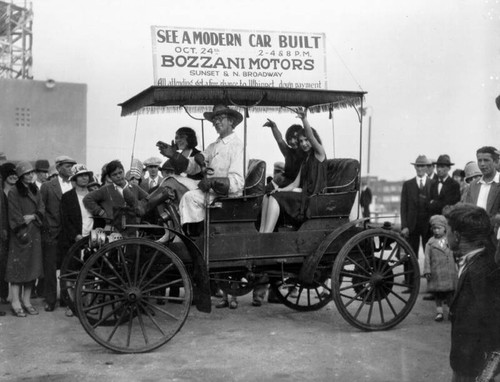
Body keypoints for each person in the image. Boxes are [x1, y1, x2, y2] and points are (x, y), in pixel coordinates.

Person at [158, 105, 245, 233]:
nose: (216, 122)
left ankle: (191, 237)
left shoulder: (237, 146)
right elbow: (192, 167)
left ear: (231, 121)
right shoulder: (214, 145)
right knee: (171, 179)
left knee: (189, 197)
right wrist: (174, 155)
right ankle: (174, 230)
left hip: (225, 197)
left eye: (220, 118)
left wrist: (211, 181)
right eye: (214, 119)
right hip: (209, 190)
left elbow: (237, 183)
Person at [444, 204, 500, 381]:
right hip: (466, 360)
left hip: (472, 367)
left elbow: (492, 324)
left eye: (448, 230)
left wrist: (487, 371)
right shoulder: (480, 260)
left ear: (458, 236)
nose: (447, 235)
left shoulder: (479, 273)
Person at [259, 108, 326, 233]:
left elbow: (311, 136)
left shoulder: (319, 154)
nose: (304, 143)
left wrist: (304, 119)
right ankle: (262, 232)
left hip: (312, 198)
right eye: (301, 141)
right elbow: (295, 183)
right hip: (303, 195)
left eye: (306, 140)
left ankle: (266, 235)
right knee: (268, 196)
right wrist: (280, 189)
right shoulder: (305, 160)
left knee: (275, 198)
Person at [6, 161, 44, 317]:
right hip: (20, 235)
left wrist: (34, 216)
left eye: (31, 173)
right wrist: (23, 224)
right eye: (27, 173)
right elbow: (13, 213)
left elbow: (41, 207)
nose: (30, 175)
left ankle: (26, 301)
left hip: (34, 233)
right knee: (18, 270)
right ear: (21, 176)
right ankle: (16, 302)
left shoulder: (35, 189)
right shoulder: (14, 192)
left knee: (32, 269)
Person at [40, 155, 77, 312]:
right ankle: (50, 300)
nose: (70, 169)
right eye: (67, 166)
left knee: (67, 267)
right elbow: (41, 208)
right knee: (50, 267)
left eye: (71, 166)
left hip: (69, 233)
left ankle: (65, 298)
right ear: (59, 167)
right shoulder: (48, 186)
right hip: (52, 231)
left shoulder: (75, 185)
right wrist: (47, 226)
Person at [60, 164, 95, 317]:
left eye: (86, 175)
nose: (84, 178)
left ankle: (88, 303)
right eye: (81, 175)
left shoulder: (94, 195)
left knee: (91, 271)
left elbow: (99, 217)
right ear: (74, 178)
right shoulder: (67, 197)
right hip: (74, 240)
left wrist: (95, 233)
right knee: (72, 272)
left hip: (92, 238)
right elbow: (65, 220)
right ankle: (73, 304)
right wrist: (75, 236)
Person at [83, 160, 148, 234]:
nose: (118, 176)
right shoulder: (105, 189)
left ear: (124, 171)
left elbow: (147, 199)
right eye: (114, 174)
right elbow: (87, 199)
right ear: (110, 177)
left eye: (120, 172)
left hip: (133, 230)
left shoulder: (134, 187)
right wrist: (101, 212)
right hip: (112, 229)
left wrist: (139, 207)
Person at [400, 155, 433, 293]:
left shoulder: (433, 184)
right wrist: (405, 226)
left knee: (431, 255)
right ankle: (410, 285)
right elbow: (403, 207)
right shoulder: (408, 184)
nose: (420, 168)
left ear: (427, 168)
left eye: (423, 166)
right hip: (412, 225)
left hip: (428, 226)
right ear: (415, 167)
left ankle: (432, 287)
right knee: (410, 254)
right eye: (418, 166)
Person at [423, 215, 457, 322]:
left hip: (449, 272)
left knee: (450, 294)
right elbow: (427, 258)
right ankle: (439, 312)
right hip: (436, 272)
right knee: (437, 294)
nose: (436, 231)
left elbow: (456, 254)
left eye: (439, 228)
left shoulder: (449, 240)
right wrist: (427, 270)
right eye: (434, 228)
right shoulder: (430, 243)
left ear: (445, 229)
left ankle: (451, 311)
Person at [464, 147, 500, 234]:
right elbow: (467, 210)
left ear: (495, 162)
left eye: (486, 160)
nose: (482, 164)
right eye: (479, 160)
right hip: (475, 235)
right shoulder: (473, 185)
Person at [263, 120, 305, 188]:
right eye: (290, 139)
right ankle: (270, 185)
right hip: (288, 182)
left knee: (279, 177)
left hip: (298, 185)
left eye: (295, 138)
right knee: (278, 168)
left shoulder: (307, 152)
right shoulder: (288, 152)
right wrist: (274, 127)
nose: (292, 141)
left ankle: (270, 185)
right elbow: (279, 140)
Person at [0, 163, 17, 307]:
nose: (13, 176)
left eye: (15, 174)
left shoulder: (18, 191)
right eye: (10, 174)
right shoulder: (1, 192)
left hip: (16, 232)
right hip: (4, 233)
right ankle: (3, 295)